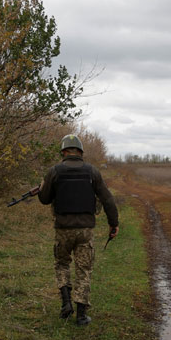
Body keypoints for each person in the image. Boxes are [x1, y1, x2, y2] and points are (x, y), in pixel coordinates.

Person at [38, 134, 119, 326]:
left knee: (62, 264)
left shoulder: (54, 171)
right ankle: (81, 315)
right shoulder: (92, 171)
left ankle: (66, 303)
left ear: (64, 152)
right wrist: (113, 223)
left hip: (63, 228)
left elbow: (45, 199)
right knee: (84, 269)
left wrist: (43, 186)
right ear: (80, 152)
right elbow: (107, 199)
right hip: (85, 230)